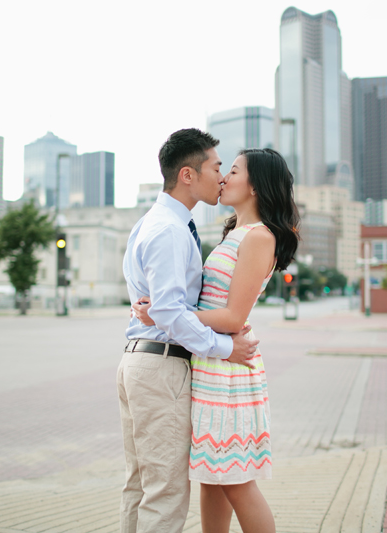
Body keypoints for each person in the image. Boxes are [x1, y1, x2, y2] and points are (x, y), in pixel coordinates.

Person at [133, 148, 300, 533]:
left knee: (237, 482)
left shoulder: (260, 237)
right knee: (211, 476)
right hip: (211, 361)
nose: (224, 178)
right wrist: (163, 307)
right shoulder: (236, 233)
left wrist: (163, 312)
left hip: (228, 367)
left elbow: (232, 317)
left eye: (234, 171)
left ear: (256, 186)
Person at [118, 128, 260, 533]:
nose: (221, 177)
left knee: (140, 486)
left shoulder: (153, 222)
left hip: (140, 362)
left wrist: (161, 313)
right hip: (161, 370)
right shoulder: (170, 230)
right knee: (164, 492)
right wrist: (223, 348)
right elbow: (167, 310)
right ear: (187, 175)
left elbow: (162, 308)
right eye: (217, 167)